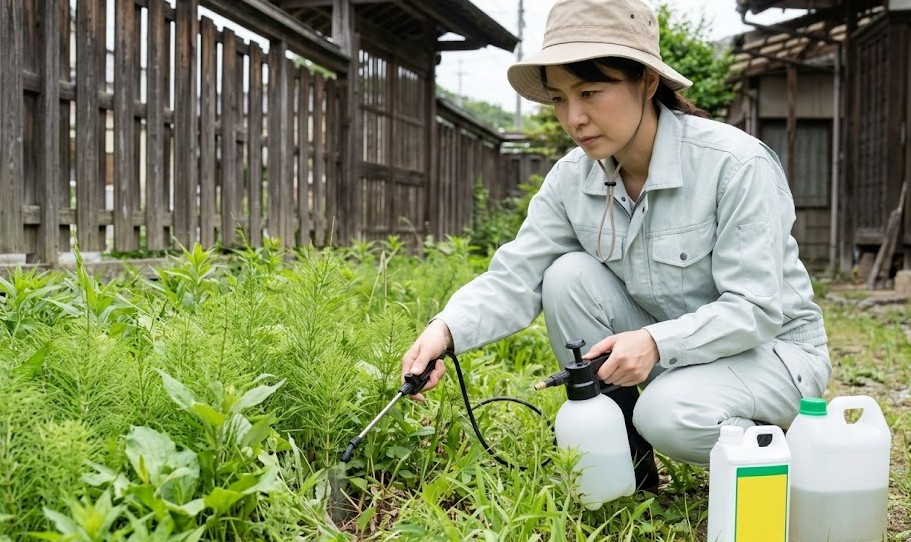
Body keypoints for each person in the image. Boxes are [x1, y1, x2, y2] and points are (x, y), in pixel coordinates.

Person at [401, 0, 830, 491]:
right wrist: (445, 332)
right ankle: (626, 462)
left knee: (667, 413)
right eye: (560, 98)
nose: (574, 117)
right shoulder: (572, 180)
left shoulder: (733, 164)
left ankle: (795, 450)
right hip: (681, 358)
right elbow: (516, 276)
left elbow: (755, 308)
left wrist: (654, 342)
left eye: (590, 91)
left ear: (647, 83)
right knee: (565, 276)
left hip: (772, 354)